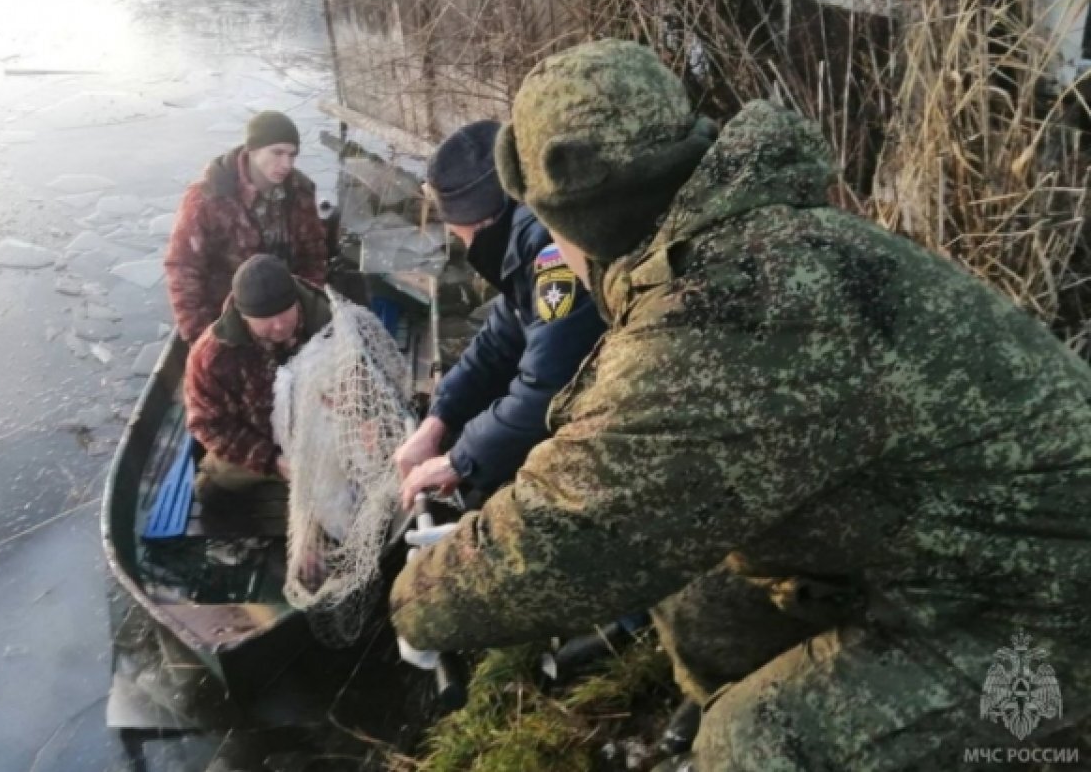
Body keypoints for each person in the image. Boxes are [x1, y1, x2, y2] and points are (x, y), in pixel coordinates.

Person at [389, 40, 1091, 768]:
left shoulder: (723, 308)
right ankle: (723, 704)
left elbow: (579, 524)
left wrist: (419, 599)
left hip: (1041, 604)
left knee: (755, 744)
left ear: (567, 217)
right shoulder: (736, 238)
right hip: (937, 540)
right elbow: (617, 472)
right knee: (702, 596)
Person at [394, 120, 606, 507]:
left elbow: (549, 384)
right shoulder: (521, 235)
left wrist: (461, 459)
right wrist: (438, 419)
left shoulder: (547, 247)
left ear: (468, 219)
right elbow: (499, 340)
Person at [165, 110, 328, 342]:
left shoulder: (300, 191)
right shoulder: (207, 197)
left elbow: (314, 255)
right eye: (277, 153)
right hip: (228, 321)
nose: (286, 164)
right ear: (252, 149)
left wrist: (302, 314)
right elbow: (183, 269)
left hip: (285, 314)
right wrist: (202, 338)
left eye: (292, 155)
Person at [184, 254, 331, 507]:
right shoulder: (211, 357)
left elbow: (360, 375)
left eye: (285, 314)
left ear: (296, 302)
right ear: (243, 316)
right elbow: (209, 425)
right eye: (266, 319)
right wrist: (272, 460)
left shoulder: (329, 323)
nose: (278, 327)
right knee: (209, 494)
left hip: (320, 437)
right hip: (259, 444)